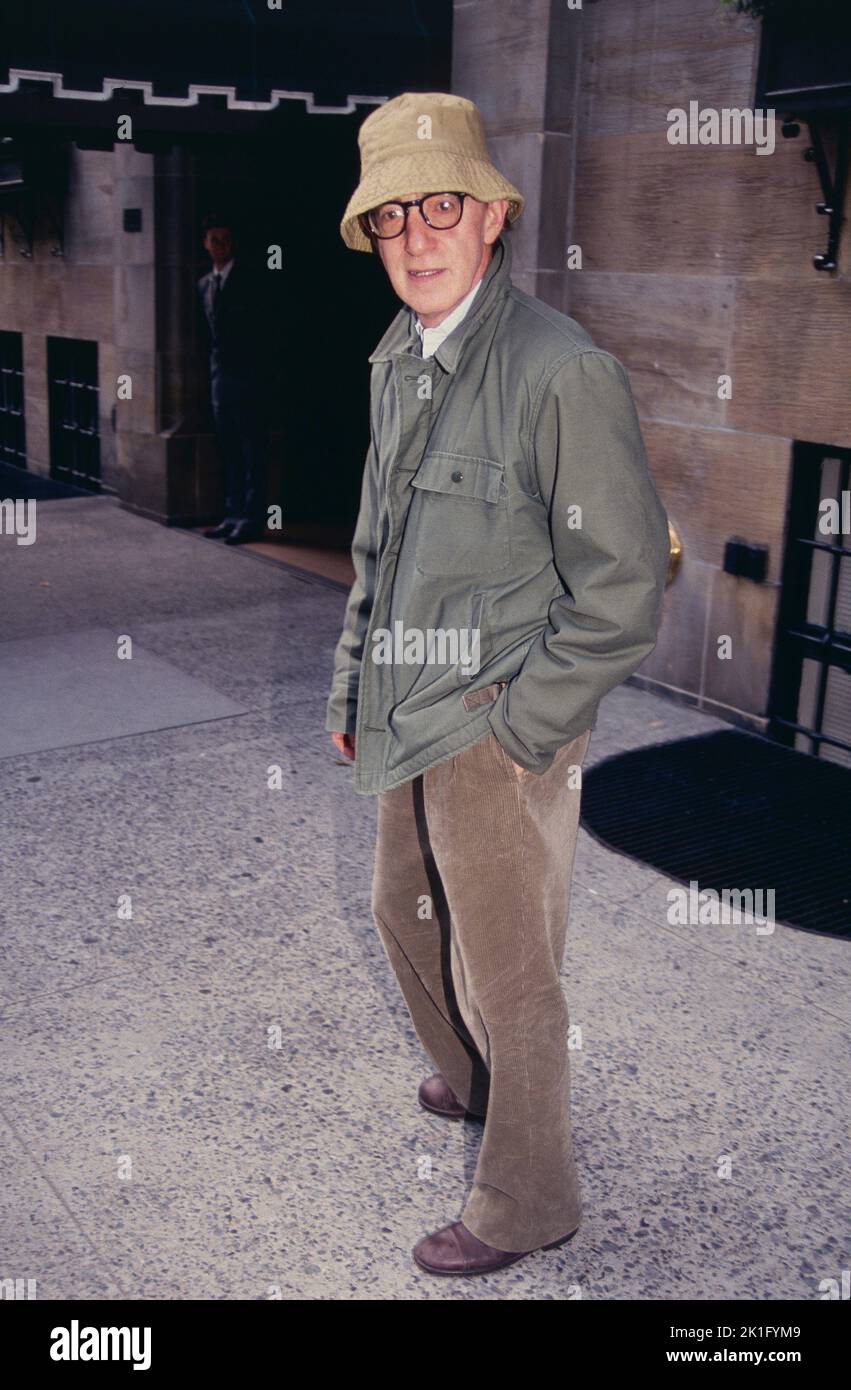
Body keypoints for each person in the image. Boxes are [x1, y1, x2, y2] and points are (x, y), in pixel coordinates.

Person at [325, 92, 670, 1276]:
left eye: (441, 207)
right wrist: (347, 691)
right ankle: (471, 1076)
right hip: (406, 708)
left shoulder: (558, 371)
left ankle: (529, 1194)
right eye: (391, 219)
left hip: (496, 721)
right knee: (398, 909)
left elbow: (621, 583)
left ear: (492, 218)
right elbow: (375, 547)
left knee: (507, 967)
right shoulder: (397, 361)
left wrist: (527, 732)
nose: (416, 238)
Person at [197, 214, 268, 545]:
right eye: (214, 240)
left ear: (233, 243)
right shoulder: (204, 284)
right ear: (206, 244)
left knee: (252, 452)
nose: (219, 246)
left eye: (225, 239)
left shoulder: (252, 280)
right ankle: (232, 514)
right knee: (228, 453)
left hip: (250, 381)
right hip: (219, 382)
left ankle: (251, 520)